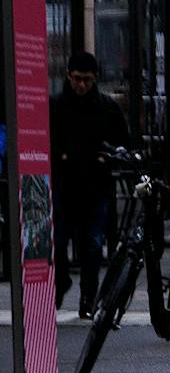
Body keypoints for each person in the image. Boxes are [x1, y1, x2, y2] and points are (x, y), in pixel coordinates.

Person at [49, 50, 129, 317]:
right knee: (59, 243)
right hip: (65, 186)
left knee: (92, 246)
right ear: (68, 77)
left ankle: (88, 297)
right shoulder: (57, 106)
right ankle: (62, 283)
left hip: (95, 187)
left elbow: (123, 143)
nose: (81, 85)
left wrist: (109, 157)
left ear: (94, 78)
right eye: (76, 79)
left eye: (86, 79)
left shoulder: (106, 108)